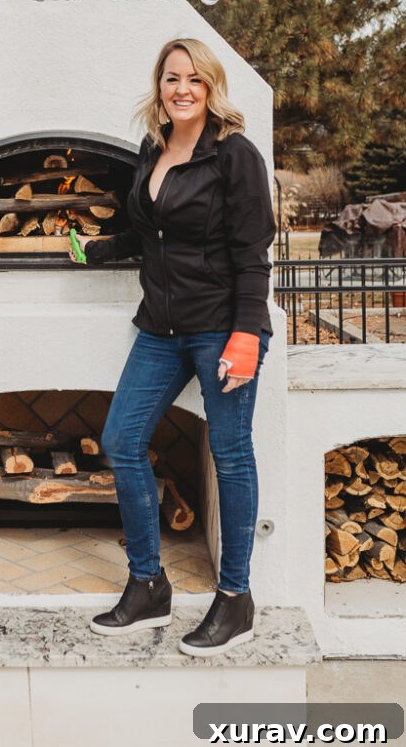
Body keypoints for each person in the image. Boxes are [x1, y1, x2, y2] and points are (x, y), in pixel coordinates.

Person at [68, 37, 276, 657]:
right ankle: (148, 584)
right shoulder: (153, 147)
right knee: (121, 442)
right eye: (170, 78)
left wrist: (245, 335)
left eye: (193, 79)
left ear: (211, 87)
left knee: (231, 451)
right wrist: (97, 249)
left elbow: (252, 252)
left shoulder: (234, 155)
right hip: (158, 329)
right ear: (158, 86)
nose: (181, 89)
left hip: (221, 327)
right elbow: (149, 230)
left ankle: (235, 598)